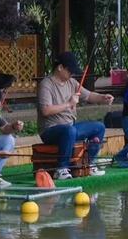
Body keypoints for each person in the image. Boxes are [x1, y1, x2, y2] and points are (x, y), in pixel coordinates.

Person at [37, 51, 114, 179]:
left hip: (70, 128)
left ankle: (89, 164)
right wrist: (68, 104)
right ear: (60, 67)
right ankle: (61, 169)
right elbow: (46, 110)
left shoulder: (72, 82)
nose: (72, 73)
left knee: (99, 127)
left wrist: (102, 97)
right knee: (69, 130)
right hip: (50, 131)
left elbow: (89, 95)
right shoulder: (46, 84)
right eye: (69, 70)